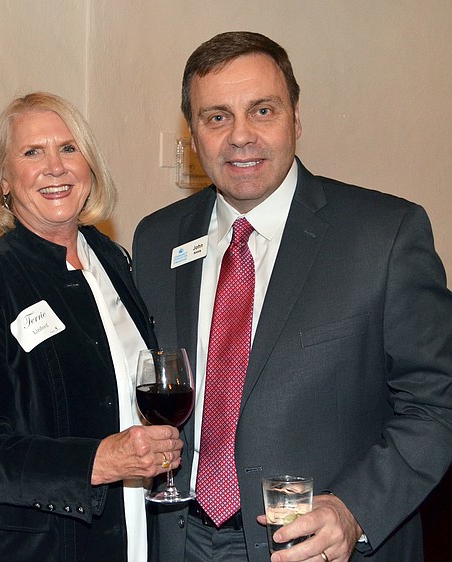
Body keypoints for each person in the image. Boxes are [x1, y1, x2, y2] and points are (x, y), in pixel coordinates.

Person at [133, 31, 452, 562]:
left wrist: (352, 510)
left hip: (314, 547)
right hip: (177, 539)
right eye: (217, 117)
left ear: (296, 119)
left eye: (262, 110)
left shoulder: (385, 235)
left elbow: (438, 403)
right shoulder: (156, 240)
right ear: (193, 135)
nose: (240, 136)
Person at [0, 91, 182, 562]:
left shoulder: (113, 261)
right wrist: (98, 461)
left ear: (90, 167)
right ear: (3, 181)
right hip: (37, 547)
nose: (55, 167)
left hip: (134, 530)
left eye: (68, 148)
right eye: (32, 152)